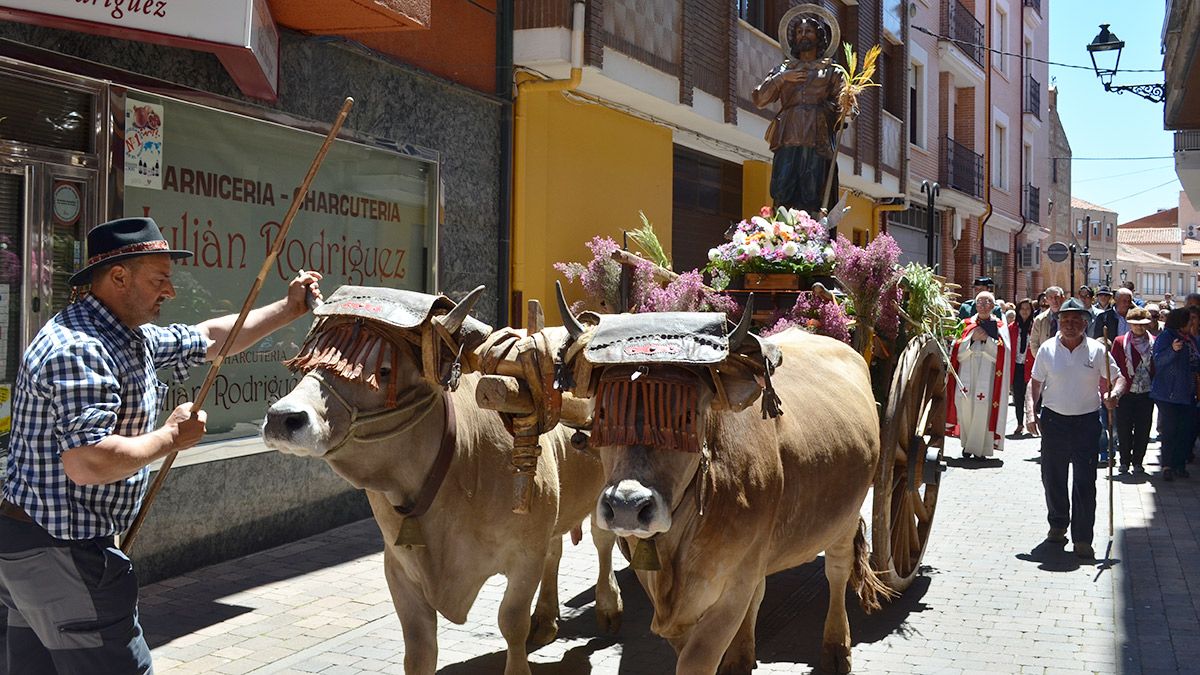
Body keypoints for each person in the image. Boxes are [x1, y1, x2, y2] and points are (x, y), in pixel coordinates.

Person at [0, 217, 323, 673]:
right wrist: (171, 438)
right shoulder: (80, 347)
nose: (169, 291)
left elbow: (211, 338)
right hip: (60, 554)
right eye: (159, 279)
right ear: (118, 277)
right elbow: (88, 462)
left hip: (37, 551)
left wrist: (288, 309)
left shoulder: (127, 337)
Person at [1028, 298, 1125, 560]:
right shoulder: (1047, 349)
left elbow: (1118, 378)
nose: (1069, 325)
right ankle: (1058, 524)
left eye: (1075, 321)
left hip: (1086, 423)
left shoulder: (1097, 350)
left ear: (1085, 323)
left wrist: (1114, 394)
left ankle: (1083, 538)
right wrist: (1030, 412)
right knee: (1053, 477)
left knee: (1085, 481)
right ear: (1058, 322)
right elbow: (1034, 383)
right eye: (1064, 320)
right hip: (1054, 421)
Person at [752, 14, 844, 215]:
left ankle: (812, 236)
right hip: (788, 136)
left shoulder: (832, 71)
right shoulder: (783, 69)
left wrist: (848, 108)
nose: (803, 35)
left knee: (813, 192)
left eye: (808, 31)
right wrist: (782, 79)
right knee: (782, 189)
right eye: (799, 32)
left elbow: (844, 105)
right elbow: (759, 98)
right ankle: (780, 235)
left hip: (817, 138)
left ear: (818, 37)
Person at [947, 292, 1012, 459]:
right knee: (964, 405)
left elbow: (1005, 351)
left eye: (987, 302)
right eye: (980, 303)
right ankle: (967, 444)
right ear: (975, 306)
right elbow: (955, 348)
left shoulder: (999, 325)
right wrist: (971, 338)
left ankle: (981, 449)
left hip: (988, 371)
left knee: (983, 406)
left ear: (992, 306)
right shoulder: (965, 323)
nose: (983, 306)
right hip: (967, 366)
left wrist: (987, 341)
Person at [1151, 308, 1198, 482]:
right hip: (1167, 393)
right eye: (1189, 321)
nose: (1192, 324)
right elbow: (1158, 361)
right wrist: (1172, 350)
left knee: (1184, 431)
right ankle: (1167, 466)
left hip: (1187, 393)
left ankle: (1180, 465)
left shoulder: (1190, 340)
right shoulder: (1166, 337)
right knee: (1170, 430)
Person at [1112, 307, 1156, 474]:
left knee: (1143, 428)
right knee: (1123, 428)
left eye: (1143, 324)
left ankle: (1138, 461)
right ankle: (1124, 461)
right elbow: (1114, 366)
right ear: (1129, 324)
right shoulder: (1119, 341)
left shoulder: (1154, 341)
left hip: (1146, 392)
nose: (1139, 328)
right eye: (1136, 324)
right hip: (1125, 392)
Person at [1009, 298, 1037, 436]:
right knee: (1018, 397)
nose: (1025, 311)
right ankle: (1020, 423)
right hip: (1017, 367)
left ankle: (1032, 421)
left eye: (1027, 309)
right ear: (1018, 311)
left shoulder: (1035, 327)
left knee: (1033, 396)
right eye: (1022, 309)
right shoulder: (1012, 328)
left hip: (1032, 367)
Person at [1029, 286, 1064, 353]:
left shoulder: (1069, 318)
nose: (1054, 300)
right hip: (1044, 359)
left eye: (1057, 297)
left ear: (1062, 298)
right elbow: (1034, 343)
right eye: (1050, 298)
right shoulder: (1039, 319)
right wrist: (1041, 360)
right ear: (1047, 300)